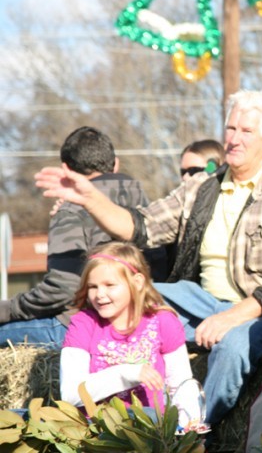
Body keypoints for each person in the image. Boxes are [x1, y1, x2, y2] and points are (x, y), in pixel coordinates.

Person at [35, 90, 262, 425]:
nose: (234, 139)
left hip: (257, 312)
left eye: (246, 131)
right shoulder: (201, 186)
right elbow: (141, 226)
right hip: (198, 301)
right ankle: (88, 397)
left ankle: (196, 430)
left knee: (231, 348)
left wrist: (231, 319)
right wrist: (90, 199)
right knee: (123, 297)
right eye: (230, 129)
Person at [0, 126, 165, 348]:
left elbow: (63, 290)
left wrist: (9, 309)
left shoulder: (71, 209)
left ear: (66, 169)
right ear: (115, 163)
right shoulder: (155, 207)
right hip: (147, 323)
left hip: (88, 326)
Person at [60, 242, 201, 428]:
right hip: (98, 427)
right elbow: (70, 394)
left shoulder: (162, 321)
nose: (99, 294)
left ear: (137, 282)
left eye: (110, 285)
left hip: (149, 426)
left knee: (148, 416)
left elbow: (181, 384)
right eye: (93, 287)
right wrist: (128, 373)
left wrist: (189, 426)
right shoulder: (84, 323)